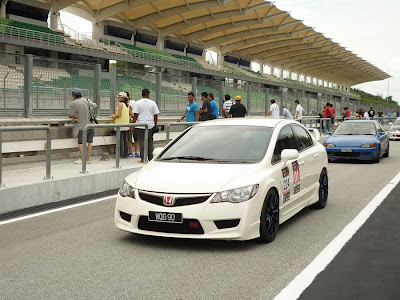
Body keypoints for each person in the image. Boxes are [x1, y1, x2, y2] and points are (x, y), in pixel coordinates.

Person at [68, 88, 97, 164]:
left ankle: (83, 158)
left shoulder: (73, 103)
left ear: (74, 95)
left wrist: (78, 117)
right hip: (91, 125)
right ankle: (88, 159)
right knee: (90, 142)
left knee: (80, 142)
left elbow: (70, 115)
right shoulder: (86, 100)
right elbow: (95, 105)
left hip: (83, 126)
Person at [132, 88, 159, 163]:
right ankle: (151, 158)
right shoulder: (153, 103)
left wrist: (133, 125)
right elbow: (156, 115)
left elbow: (135, 115)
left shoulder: (138, 103)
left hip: (140, 125)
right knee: (150, 141)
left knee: (142, 142)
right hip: (150, 125)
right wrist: (155, 124)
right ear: (148, 94)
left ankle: (143, 158)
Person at [112, 92, 130, 159]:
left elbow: (118, 115)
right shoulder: (127, 105)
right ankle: (125, 154)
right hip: (126, 124)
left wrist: (114, 115)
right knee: (125, 140)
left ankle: (120, 154)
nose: (118, 98)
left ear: (122, 98)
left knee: (120, 140)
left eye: (119, 97)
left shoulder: (120, 104)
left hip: (120, 124)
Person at [127, 92, 140, 158]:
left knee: (136, 138)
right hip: (128, 123)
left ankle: (136, 151)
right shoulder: (123, 104)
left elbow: (134, 113)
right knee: (129, 138)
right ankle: (130, 152)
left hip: (134, 122)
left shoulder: (133, 103)